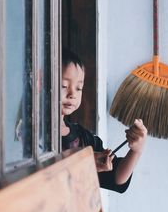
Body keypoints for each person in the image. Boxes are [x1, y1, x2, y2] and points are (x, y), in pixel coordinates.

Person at [61, 48, 148, 193]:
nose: (72, 94)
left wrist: (136, 151)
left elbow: (117, 178)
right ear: (40, 83)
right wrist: (83, 162)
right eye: (64, 85)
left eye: (78, 88)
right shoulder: (30, 136)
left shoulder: (84, 138)